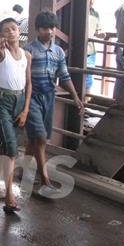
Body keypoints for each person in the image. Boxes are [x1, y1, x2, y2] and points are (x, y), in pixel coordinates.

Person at [24, 12, 83, 194]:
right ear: (37, 30)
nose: (49, 31)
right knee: (41, 138)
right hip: (32, 96)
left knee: (36, 138)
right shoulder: (29, 51)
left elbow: (64, 76)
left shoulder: (58, 52)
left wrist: (76, 97)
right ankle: (44, 180)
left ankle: (25, 171)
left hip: (49, 97)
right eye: (44, 28)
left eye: (52, 28)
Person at [0, 17, 31, 214]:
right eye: (6, 30)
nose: (11, 32)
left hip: (19, 101)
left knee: (5, 144)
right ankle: (9, 194)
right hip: (3, 100)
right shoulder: (0, 52)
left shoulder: (26, 55)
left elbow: (28, 83)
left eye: (14, 29)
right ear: (2, 34)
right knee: (12, 147)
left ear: (19, 31)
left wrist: (25, 110)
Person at [86, 0, 104, 90]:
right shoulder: (78, 11)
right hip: (80, 49)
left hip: (90, 49)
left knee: (89, 76)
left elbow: (98, 30)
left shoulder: (95, 13)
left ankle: (86, 98)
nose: (92, 1)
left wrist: (101, 34)